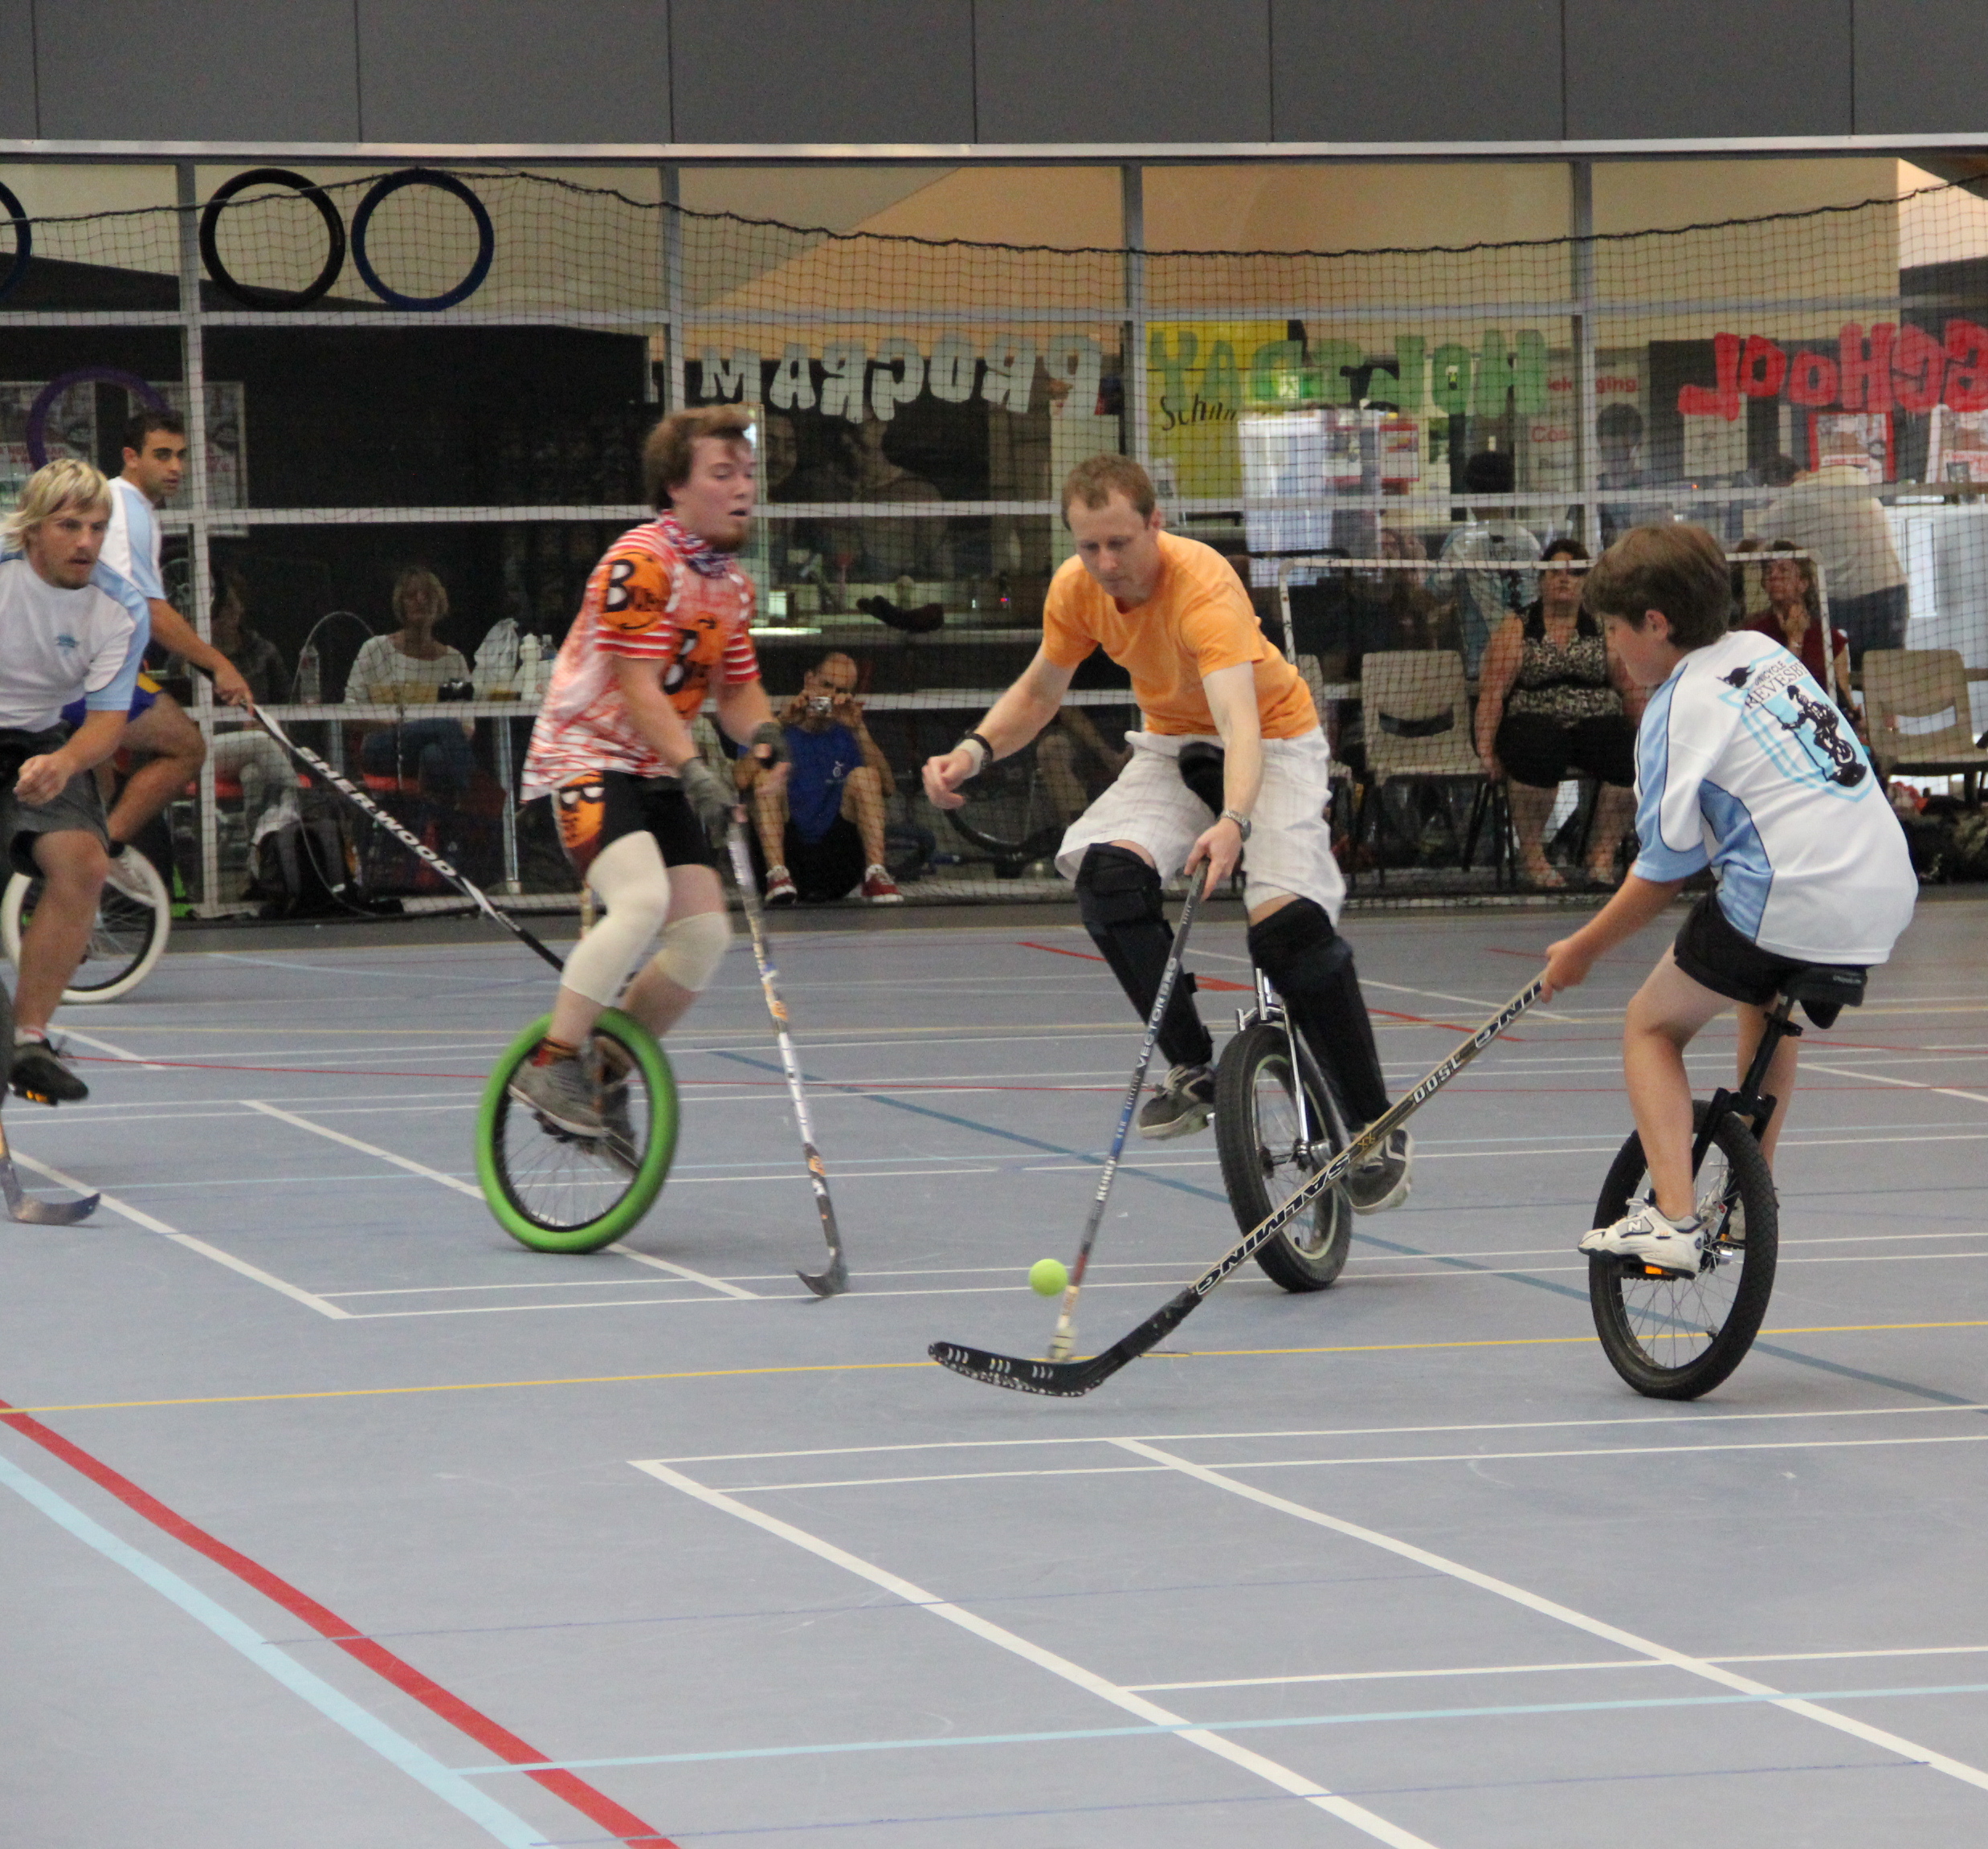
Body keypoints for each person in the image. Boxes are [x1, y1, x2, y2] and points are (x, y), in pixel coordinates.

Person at [922, 454, 1410, 1210]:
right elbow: (1041, 689)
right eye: (1088, 546)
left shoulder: (1203, 586)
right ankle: (1193, 1069)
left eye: (1119, 542)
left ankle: (1373, 1125)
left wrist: (1233, 822)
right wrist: (974, 749)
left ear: (1155, 523)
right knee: (1107, 876)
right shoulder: (1076, 590)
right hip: (1173, 743)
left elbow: (1241, 725)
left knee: (1285, 934)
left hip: (1271, 743)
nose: (1105, 562)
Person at [1541, 524, 1915, 1274]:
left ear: (1655, 624)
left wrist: (1578, 951)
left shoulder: (1677, 709)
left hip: (1793, 893)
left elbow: (1662, 871)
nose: (1612, 647)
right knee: (1762, 995)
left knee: (1649, 1026)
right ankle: (1750, 1200)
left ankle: (1674, 1219)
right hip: (1883, 886)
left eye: (1614, 630)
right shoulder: (1764, 652)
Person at [512, 405, 788, 1136]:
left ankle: (604, 1071)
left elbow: (734, 689)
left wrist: (761, 731)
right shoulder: (641, 563)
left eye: (748, 474)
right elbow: (637, 688)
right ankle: (552, 1061)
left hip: (660, 765)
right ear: (674, 487)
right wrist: (695, 766)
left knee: (703, 936)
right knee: (635, 903)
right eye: (721, 474)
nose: (742, 489)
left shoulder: (729, 585)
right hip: (588, 758)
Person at [0, 460, 152, 1104]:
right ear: (33, 531)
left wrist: (63, 763)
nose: (85, 541)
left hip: (38, 743)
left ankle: (29, 1039)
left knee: (84, 862)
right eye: (68, 526)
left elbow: (106, 727)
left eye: (97, 526)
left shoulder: (120, 607)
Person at [72, 410, 254, 858]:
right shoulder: (126, 508)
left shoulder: (121, 507)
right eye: (162, 455)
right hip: (79, 668)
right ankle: (92, 866)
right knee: (187, 748)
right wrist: (220, 665)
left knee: (103, 779)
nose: (175, 467)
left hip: (73, 663)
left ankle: (73, 882)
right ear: (130, 457)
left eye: (181, 456)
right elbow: (151, 609)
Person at [1473, 537, 1642, 889]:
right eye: (1555, 572)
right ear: (1542, 581)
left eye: (1574, 572)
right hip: (1532, 721)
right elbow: (1492, 695)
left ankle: (1601, 856)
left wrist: (1648, 740)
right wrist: (1486, 752)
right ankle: (1533, 856)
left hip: (1594, 720)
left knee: (1628, 757)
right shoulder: (1516, 628)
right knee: (1539, 751)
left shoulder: (1604, 628)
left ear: (1585, 582)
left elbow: (1630, 689)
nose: (1564, 579)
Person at [747, 651, 901, 905]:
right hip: (786, 856)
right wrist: (779, 725)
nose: (830, 696)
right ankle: (777, 875)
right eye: (826, 685)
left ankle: (876, 875)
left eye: (840, 690)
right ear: (809, 679)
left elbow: (888, 786)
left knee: (866, 777)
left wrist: (859, 730)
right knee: (765, 777)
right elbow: (741, 780)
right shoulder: (773, 725)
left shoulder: (848, 733)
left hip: (837, 863)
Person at [1760, 456, 1908, 662]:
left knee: (1827, 666)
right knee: (1883, 673)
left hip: (1849, 599)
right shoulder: (1848, 473)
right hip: (1890, 587)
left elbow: (1749, 545)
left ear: (1776, 486)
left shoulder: (1787, 503)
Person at [346, 568, 476, 800]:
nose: (420, 601)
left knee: (434, 756)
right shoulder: (376, 650)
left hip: (435, 751)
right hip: (383, 746)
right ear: (401, 604)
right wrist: (399, 725)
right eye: (411, 595)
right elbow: (350, 714)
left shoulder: (453, 662)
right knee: (445, 726)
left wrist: (428, 728)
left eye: (427, 595)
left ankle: (432, 829)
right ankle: (466, 800)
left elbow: (466, 725)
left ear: (440, 603)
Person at [202, 570, 298, 825]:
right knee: (258, 742)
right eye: (219, 609)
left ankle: (258, 854)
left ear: (241, 608)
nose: (225, 615)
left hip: (260, 749)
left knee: (253, 775)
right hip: (204, 750)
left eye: (231, 606)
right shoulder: (188, 656)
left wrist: (268, 724)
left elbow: (288, 708)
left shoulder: (264, 652)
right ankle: (300, 811)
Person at [1439, 449, 1542, 674]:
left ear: (1470, 492)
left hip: (1483, 668)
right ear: (1511, 490)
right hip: (1531, 664)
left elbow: (1430, 597)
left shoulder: (1461, 542)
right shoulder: (1531, 543)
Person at [1749, 541, 1853, 709]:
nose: (1774, 576)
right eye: (1768, 571)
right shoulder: (1753, 633)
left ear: (1803, 584)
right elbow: (1775, 695)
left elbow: (1844, 697)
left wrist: (1854, 716)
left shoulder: (1830, 639)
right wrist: (1795, 639)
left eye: (1783, 570)